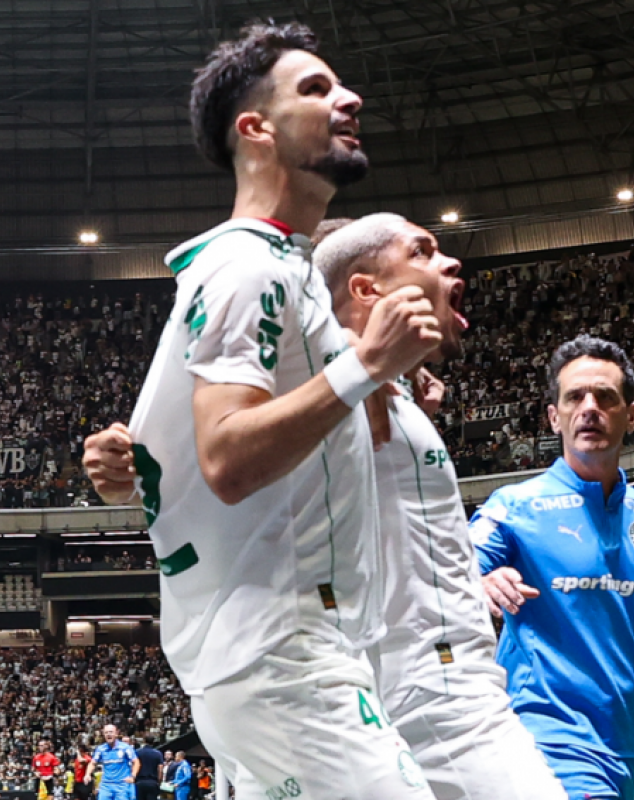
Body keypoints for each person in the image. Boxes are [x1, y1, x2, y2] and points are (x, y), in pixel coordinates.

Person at [86, 214, 566, 800]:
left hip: (415, 683)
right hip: (416, 692)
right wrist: (127, 473)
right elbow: (226, 451)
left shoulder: (394, 400)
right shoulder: (325, 386)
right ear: (366, 291)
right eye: (423, 251)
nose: (450, 263)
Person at [80, 21, 440, 800]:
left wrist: (128, 464)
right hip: (281, 655)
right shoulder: (247, 266)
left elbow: (177, 448)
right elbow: (231, 459)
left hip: (287, 649)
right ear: (255, 129)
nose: (350, 98)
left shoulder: (285, 267)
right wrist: (368, 365)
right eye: (315, 89)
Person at [469, 334, 634, 800]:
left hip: (622, 746)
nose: (589, 407)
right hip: (540, 737)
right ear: (554, 417)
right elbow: (443, 576)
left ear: (632, 415)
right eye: (575, 396)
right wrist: (480, 580)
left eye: (605, 396)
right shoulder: (513, 507)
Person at [87, 725, 139, 800]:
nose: (108, 734)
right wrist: (88, 774)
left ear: (116, 733)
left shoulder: (125, 748)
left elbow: (136, 762)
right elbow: (92, 763)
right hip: (106, 785)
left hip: (121, 785)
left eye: (111, 732)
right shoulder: (101, 749)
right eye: (106, 732)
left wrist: (133, 776)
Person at [134, 736, 164, 800]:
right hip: (152, 782)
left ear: (144, 741)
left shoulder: (137, 752)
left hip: (139, 782)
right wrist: (159, 782)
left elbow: (133, 766)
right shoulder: (158, 754)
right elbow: (160, 769)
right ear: (153, 742)